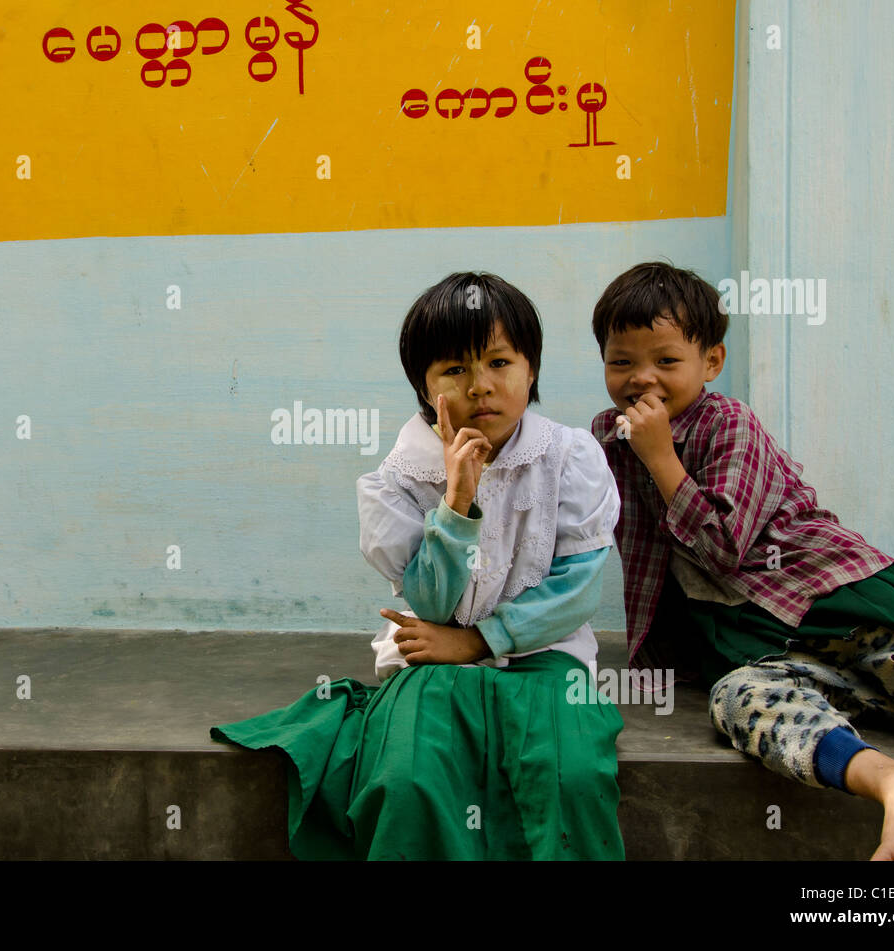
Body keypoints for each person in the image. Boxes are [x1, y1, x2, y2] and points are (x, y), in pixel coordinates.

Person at [211, 272, 625, 859]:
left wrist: (479, 642)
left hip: (545, 656)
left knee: (569, 777)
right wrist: (457, 503)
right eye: (455, 370)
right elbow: (430, 605)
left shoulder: (571, 457)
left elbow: (578, 594)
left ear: (531, 369)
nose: (481, 386)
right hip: (429, 652)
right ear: (425, 389)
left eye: (500, 362)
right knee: (406, 780)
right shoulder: (396, 481)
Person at [589, 260, 894, 860]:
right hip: (769, 648)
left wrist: (662, 457)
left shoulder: (728, 423)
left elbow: (723, 550)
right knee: (740, 701)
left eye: (666, 360)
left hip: (839, 603)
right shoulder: (608, 438)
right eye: (622, 362)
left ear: (710, 362)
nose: (643, 379)